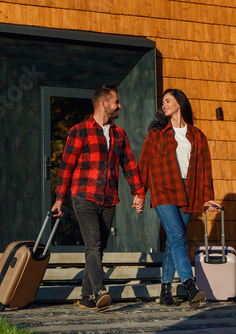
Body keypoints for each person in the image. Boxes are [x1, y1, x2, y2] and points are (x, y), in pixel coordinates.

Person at [51, 85, 146, 311]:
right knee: (92, 245)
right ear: (104, 103)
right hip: (84, 196)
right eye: (116, 101)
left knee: (98, 248)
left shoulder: (119, 133)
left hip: (109, 198)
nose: (119, 105)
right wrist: (59, 198)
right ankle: (100, 290)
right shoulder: (79, 130)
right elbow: (66, 167)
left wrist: (139, 192)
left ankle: (86, 297)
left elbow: (129, 165)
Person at [137, 88, 220, 308]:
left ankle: (165, 291)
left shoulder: (197, 135)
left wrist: (207, 197)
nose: (163, 105)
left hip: (188, 191)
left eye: (168, 101)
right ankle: (189, 284)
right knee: (177, 237)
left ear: (179, 104)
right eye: (162, 102)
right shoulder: (157, 132)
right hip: (163, 189)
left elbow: (205, 170)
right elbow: (144, 163)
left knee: (175, 241)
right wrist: (140, 192)